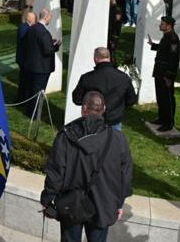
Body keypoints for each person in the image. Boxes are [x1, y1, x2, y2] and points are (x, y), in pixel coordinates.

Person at [41, 91, 133, 242]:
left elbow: (55, 172)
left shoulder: (65, 136)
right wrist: (119, 202)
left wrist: (47, 198)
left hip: (71, 204)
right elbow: (126, 175)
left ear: (84, 108)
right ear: (103, 109)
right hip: (104, 204)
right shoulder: (118, 139)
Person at [72, 47, 138, 130]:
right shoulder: (123, 77)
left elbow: (77, 99)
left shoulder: (87, 78)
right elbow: (131, 100)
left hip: (93, 121)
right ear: (109, 58)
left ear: (95, 59)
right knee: (114, 142)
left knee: (92, 142)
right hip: (114, 119)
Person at [21, 8, 61, 116]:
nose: (50, 20)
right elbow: (48, 50)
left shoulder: (32, 28)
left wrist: (49, 42)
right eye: (50, 18)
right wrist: (56, 46)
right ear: (46, 17)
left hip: (30, 65)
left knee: (31, 89)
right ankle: (34, 114)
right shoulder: (44, 32)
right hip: (41, 67)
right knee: (38, 92)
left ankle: (29, 111)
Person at [147, 16, 180, 132]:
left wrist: (169, 76)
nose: (160, 25)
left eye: (162, 24)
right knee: (160, 97)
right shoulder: (166, 37)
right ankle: (162, 118)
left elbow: (173, 59)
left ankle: (169, 122)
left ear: (169, 26)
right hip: (159, 71)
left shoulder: (173, 39)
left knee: (167, 98)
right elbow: (163, 49)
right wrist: (153, 45)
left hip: (166, 74)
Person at [15, 11, 36, 105]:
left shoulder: (25, 27)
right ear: (31, 19)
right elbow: (25, 43)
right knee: (23, 81)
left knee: (24, 81)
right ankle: (21, 100)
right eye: (35, 19)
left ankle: (23, 98)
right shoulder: (25, 28)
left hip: (23, 59)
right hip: (23, 60)